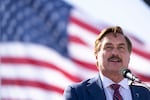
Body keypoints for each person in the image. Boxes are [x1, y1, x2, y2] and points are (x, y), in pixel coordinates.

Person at [63, 26, 150, 100]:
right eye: (108, 47)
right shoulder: (78, 93)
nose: (115, 53)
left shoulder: (144, 94)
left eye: (121, 48)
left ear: (129, 57)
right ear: (97, 57)